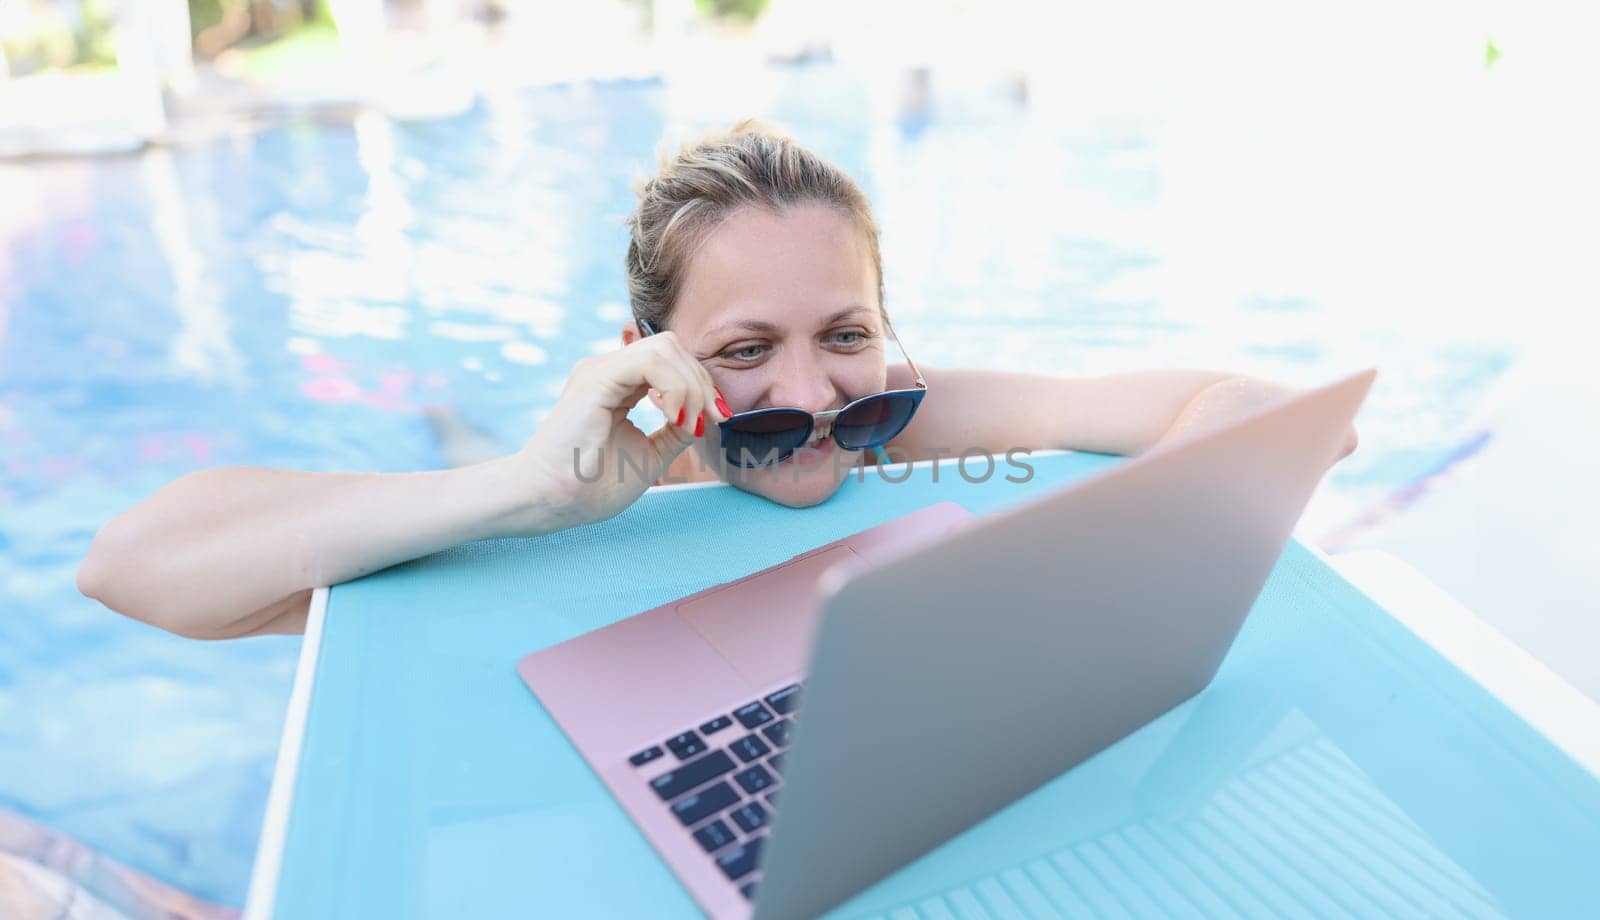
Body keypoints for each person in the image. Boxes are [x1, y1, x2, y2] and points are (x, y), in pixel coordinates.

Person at [76, 119, 1357, 640]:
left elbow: (1245, 411)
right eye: (744, 351)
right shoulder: (577, 507)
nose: (809, 391)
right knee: (452, 436)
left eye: (844, 329)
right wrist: (519, 491)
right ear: (655, 352)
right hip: (523, 471)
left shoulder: (905, 420)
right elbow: (131, 564)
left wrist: (1143, 563)